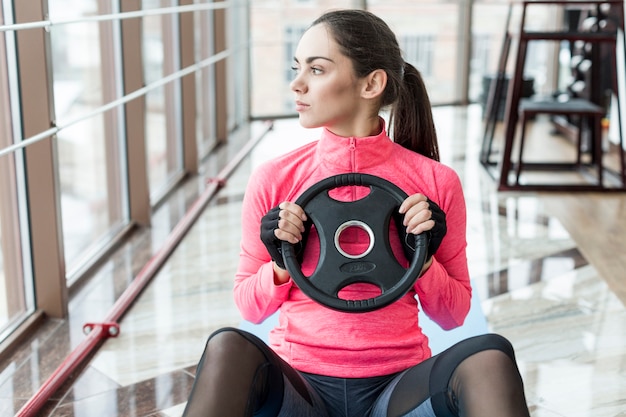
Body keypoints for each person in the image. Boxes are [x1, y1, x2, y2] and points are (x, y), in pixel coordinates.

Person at [183, 8, 530, 417]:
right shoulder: (274, 178)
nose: (296, 83)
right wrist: (279, 265)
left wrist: (422, 260)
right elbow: (249, 307)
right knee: (228, 346)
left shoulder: (435, 182)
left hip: (396, 388)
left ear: (372, 83)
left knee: (490, 356)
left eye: (316, 69)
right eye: (298, 68)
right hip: (300, 386)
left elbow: (453, 316)